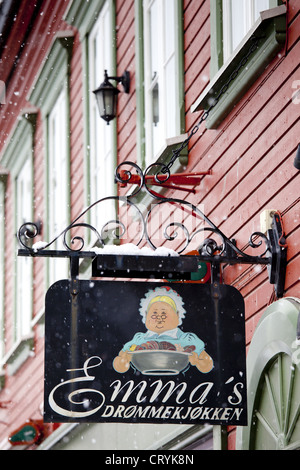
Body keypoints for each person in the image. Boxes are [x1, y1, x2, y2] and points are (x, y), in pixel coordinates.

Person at [113, 286, 213, 374]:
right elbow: (119, 364)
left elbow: (207, 366)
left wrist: (199, 362)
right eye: (154, 314)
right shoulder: (139, 339)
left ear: (177, 315)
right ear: (146, 315)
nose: (159, 318)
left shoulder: (188, 340)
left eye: (164, 314)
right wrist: (123, 361)